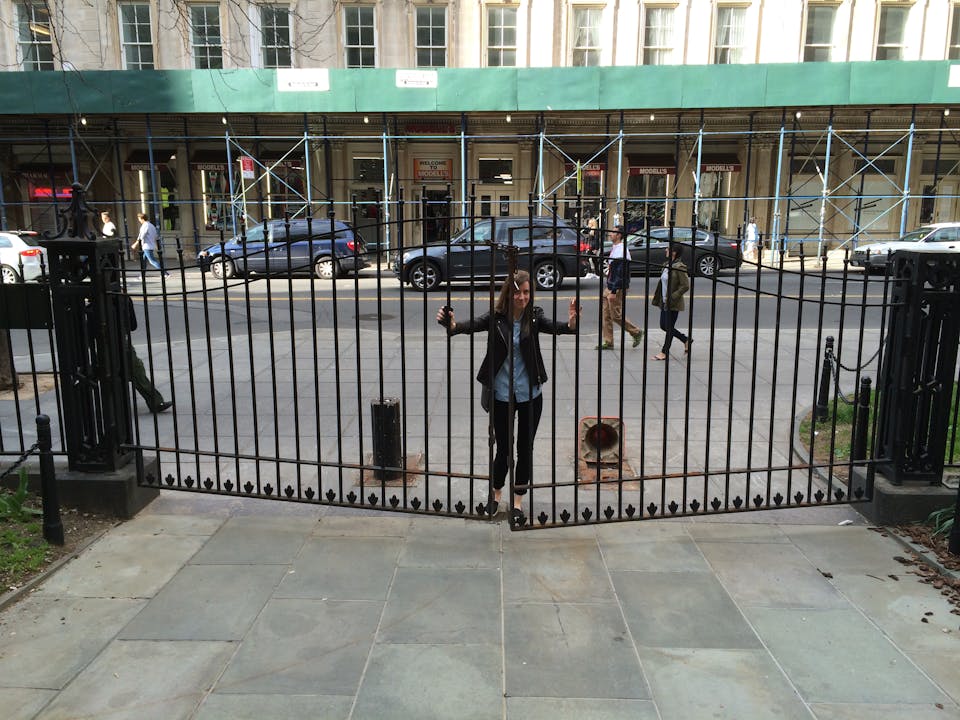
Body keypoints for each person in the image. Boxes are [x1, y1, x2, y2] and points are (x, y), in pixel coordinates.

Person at [437, 269, 579, 515]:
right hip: (501, 395)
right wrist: (452, 325)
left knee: (525, 449)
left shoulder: (534, 317)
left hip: (530, 395)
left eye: (526, 293)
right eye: (516, 293)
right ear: (508, 293)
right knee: (503, 449)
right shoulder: (497, 317)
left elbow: (555, 327)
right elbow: (472, 325)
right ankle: (496, 494)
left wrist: (570, 324)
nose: (522, 298)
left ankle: (517, 501)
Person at [598, 226, 644, 350]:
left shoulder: (622, 250)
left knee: (615, 315)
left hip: (617, 288)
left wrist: (613, 291)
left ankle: (636, 332)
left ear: (619, 235)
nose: (610, 234)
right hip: (610, 285)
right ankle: (608, 341)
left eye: (613, 232)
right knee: (606, 315)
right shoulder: (616, 248)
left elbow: (621, 273)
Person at [651, 242, 691, 361]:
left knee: (668, 326)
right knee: (665, 326)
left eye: (668, 249)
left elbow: (685, 285)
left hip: (673, 302)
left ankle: (664, 352)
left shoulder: (679, 267)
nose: (665, 251)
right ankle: (685, 340)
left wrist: (673, 296)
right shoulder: (666, 265)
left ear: (674, 252)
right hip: (664, 301)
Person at [133, 212, 168, 277]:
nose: (139, 220)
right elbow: (155, 236)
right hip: (150, 245)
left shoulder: (145, 225)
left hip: (147, 246)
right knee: (143, 261)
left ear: (142, 219)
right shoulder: (151, 225)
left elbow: (141, 236)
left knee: (152, 261)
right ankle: (142, 275)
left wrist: (135, 244)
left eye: (139, 219)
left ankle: (165, 273)